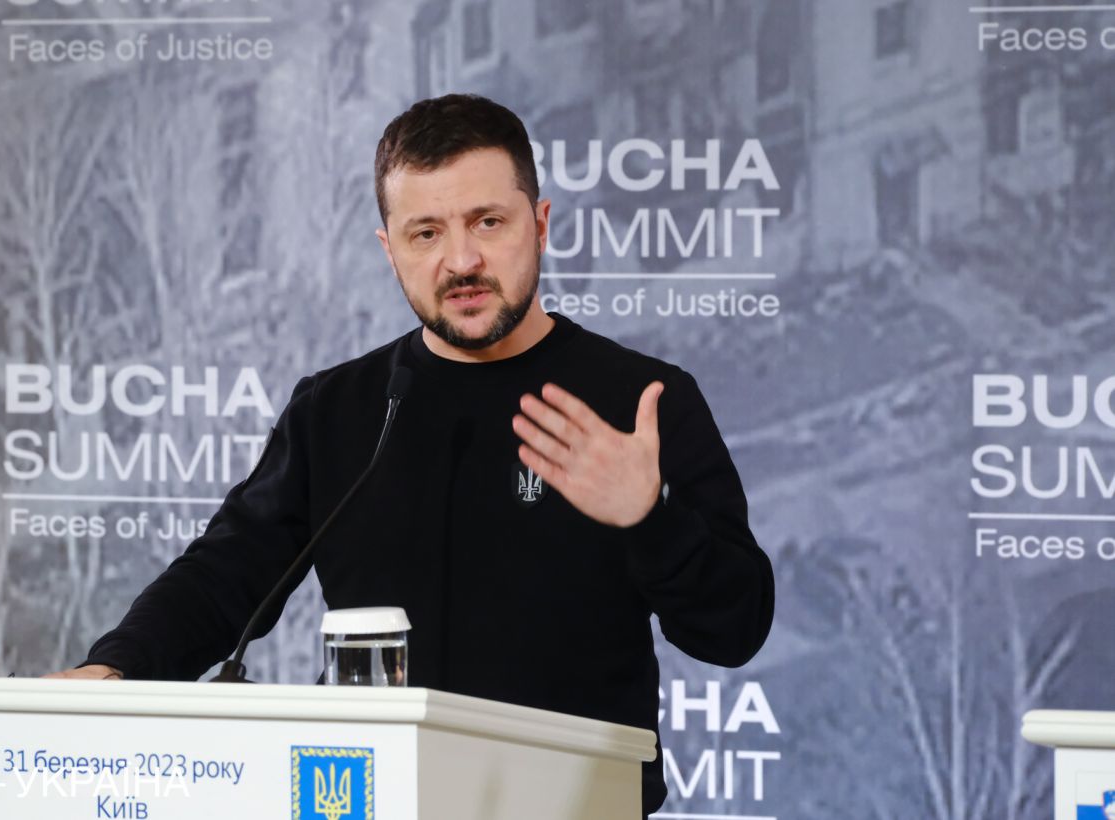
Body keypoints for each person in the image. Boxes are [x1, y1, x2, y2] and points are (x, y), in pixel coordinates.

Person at [49, 93, 774, 815]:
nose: (462, 260)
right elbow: (222, 577)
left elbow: (735, 629)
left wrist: (649, 519)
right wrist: (118, 666)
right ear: (389, 249)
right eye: (425, 233)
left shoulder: (640, 401)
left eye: (488, 222)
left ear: (540, 225)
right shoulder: (336, 410)